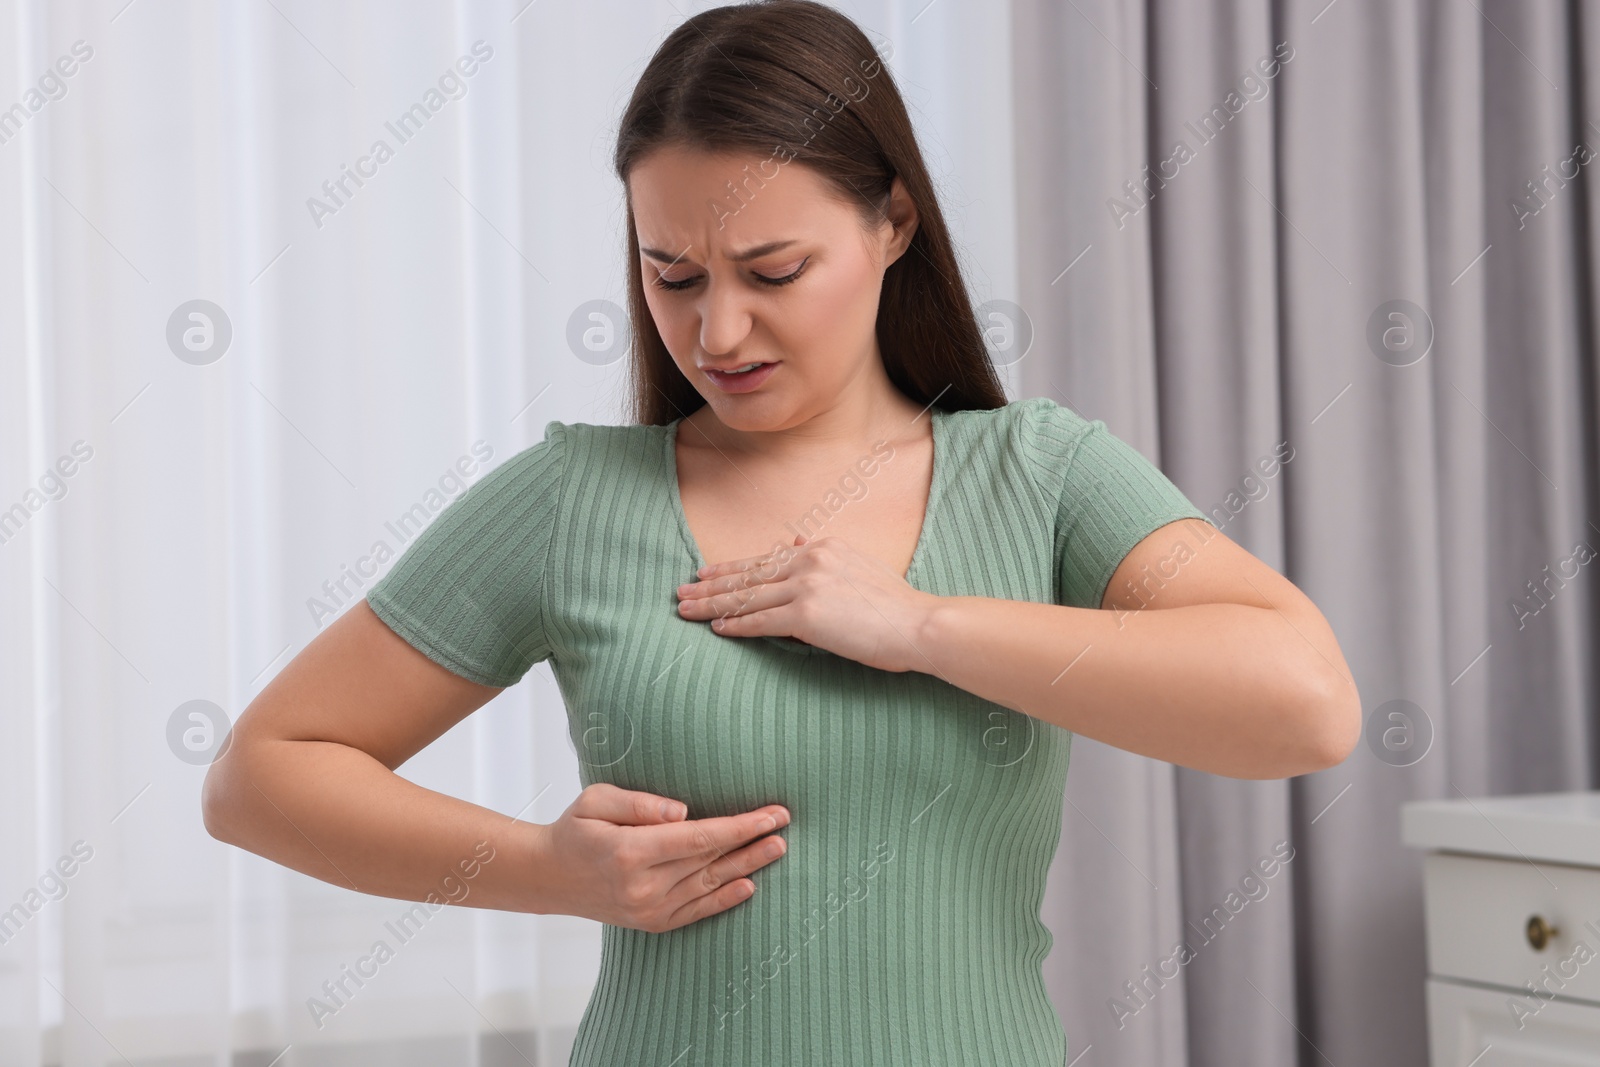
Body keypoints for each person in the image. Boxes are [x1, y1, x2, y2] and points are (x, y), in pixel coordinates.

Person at [202, 2, 1360, 1063]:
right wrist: (549, 871)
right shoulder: (571, 500)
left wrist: (920, 623)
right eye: (672, 274)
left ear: (893, 220)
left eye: (773, 270)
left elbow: (1304, 703)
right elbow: (260, 776)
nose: (716, 329)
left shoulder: (1039, 474)